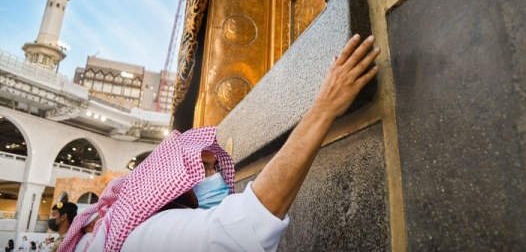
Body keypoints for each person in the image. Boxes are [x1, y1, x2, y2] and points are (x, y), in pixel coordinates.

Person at [60, 35, 380, 252]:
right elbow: (248, 224)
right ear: (167, 178)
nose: (215, 177)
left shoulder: (108, 231)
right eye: (205, 168)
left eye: (214, 167)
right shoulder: (140, 235)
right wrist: (324, 108)